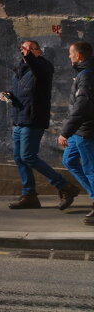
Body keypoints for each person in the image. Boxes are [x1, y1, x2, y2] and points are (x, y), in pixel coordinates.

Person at [0, 40, 81, 209]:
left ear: (39, 52)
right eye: (23, 48)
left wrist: (29, 56)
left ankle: (65, 186)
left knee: (28, 156)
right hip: (19, 119)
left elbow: (37, 69)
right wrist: (8, 96)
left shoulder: (44, 67)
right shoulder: (19, 70)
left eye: (30, 49)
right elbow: (21, 94)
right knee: (19, 158)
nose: (26, 51)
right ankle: (29, 195)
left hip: (33, 119)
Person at [58, 40, 94, 225]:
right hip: (79, 130)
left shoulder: (87, 75)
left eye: (71, 53)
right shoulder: (83, 73)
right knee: (69, 160)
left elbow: (82, 107)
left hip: (85, 130)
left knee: (90, 168)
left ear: (78, 56)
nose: (69, 56)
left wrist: (65, 132)